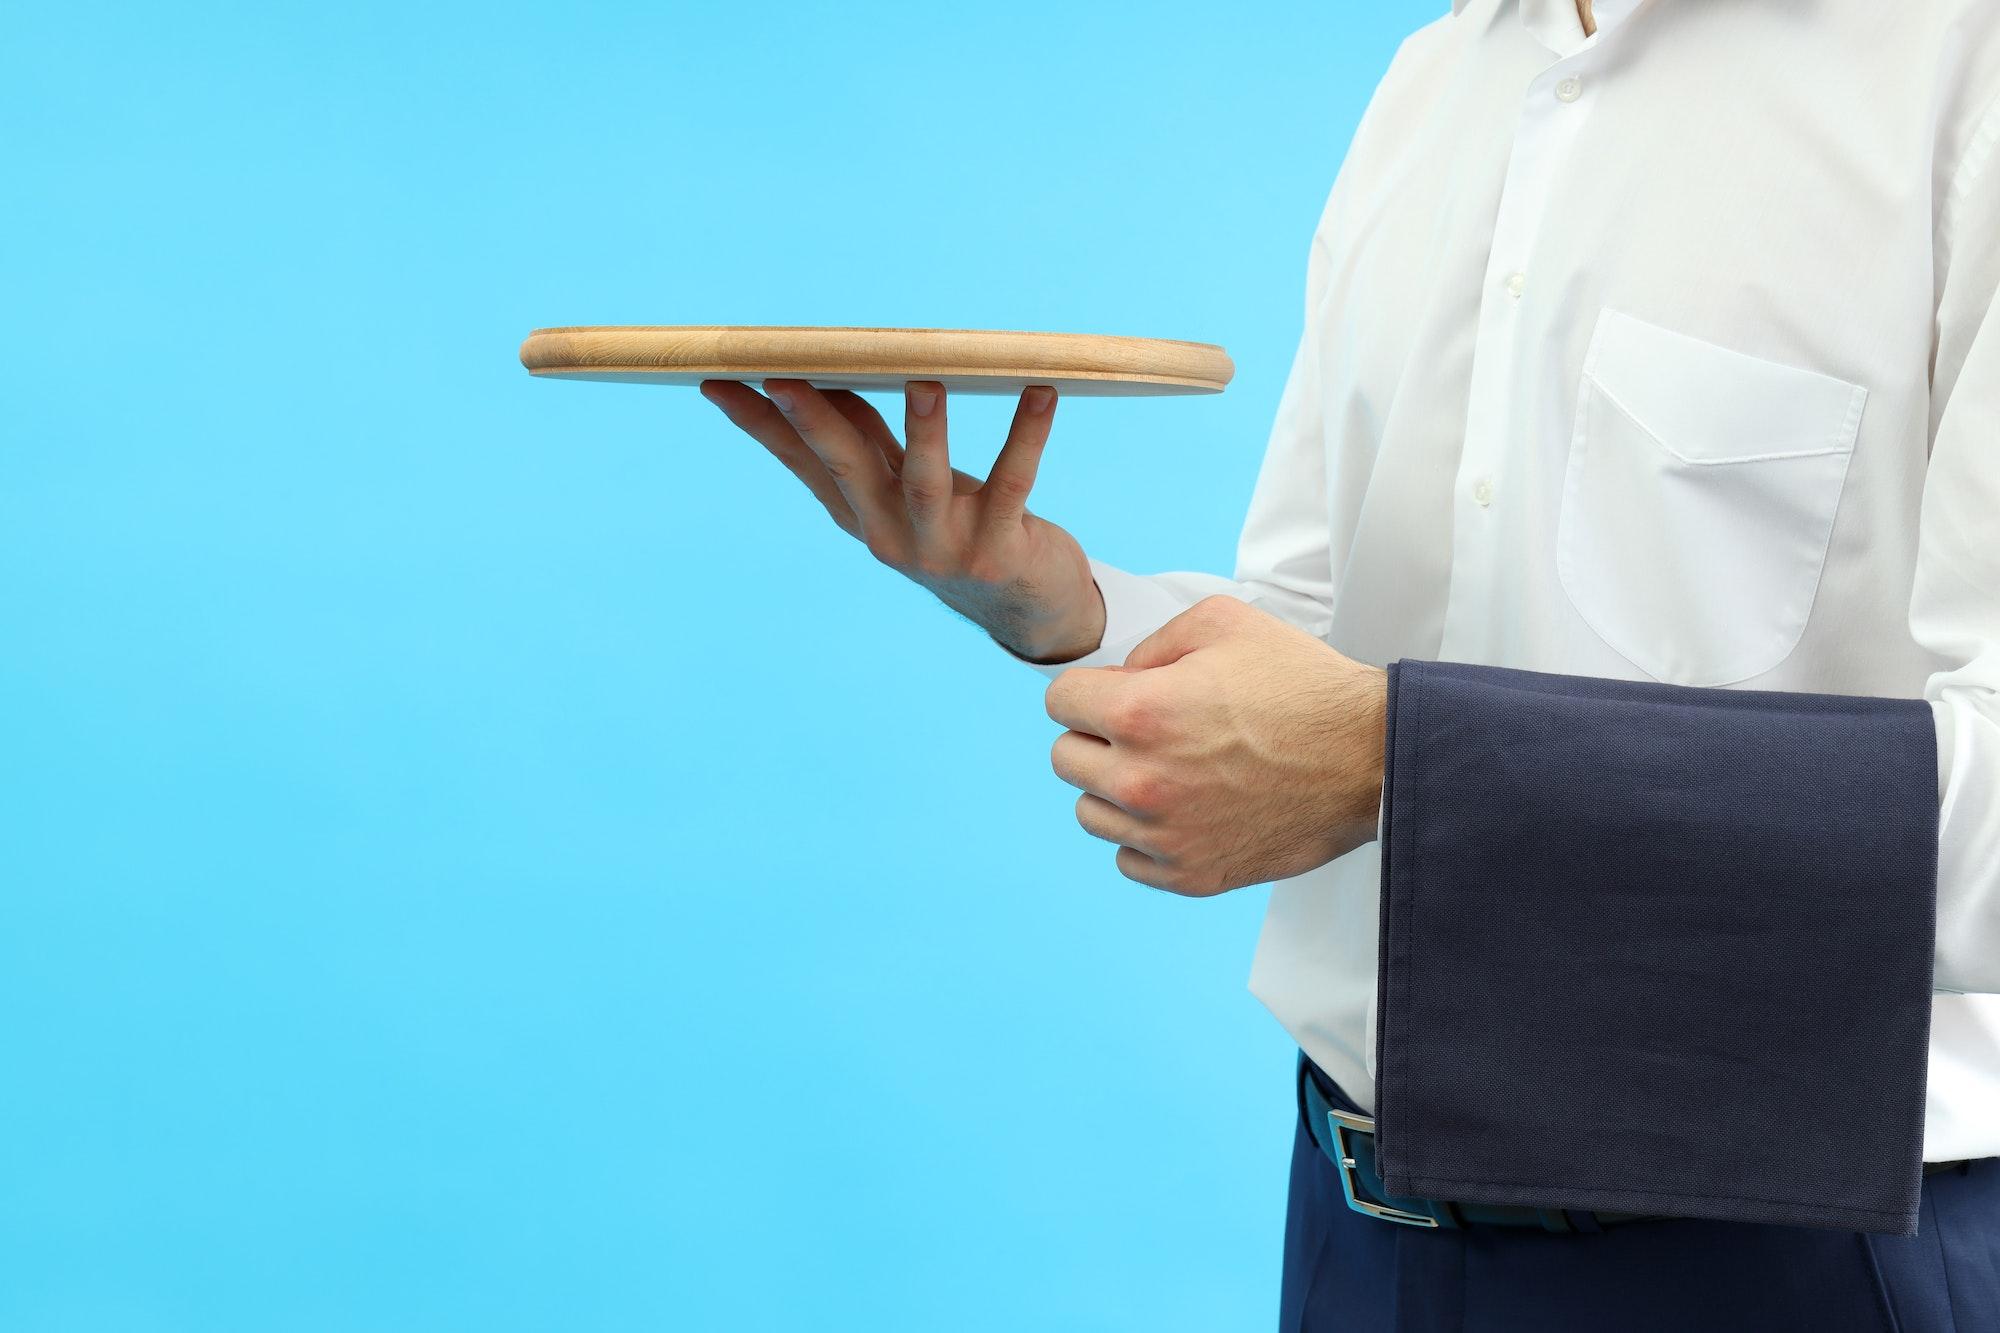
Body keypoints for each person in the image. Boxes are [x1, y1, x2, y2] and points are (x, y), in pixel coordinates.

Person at [700, 0, 2000, 1326]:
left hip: (1785, 1257)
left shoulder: (1965, 70)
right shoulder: (1438, 77)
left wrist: (1398, 758)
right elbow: (1314, 642)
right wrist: (1059, 601)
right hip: (1355, 1232)